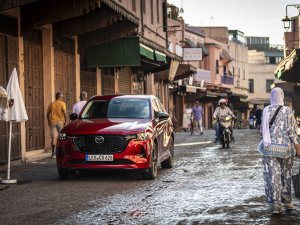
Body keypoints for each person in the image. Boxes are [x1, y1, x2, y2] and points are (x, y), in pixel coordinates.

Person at [259, 87, 299, 214]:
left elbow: (262, 131)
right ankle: (287, 202)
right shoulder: (288, 111)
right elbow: (292, 132)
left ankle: (276, 205)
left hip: (269, 149)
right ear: (282, 96)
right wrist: (298, 147)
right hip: (286, 150)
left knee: (273, 176)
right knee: (286, 175)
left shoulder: (266, 110)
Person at [47, 92, 67, 158]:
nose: (62, 98)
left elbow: (48, 113)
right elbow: (64, 112)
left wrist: (48, 121)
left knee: (54, 138)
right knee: (62, 137)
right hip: (60, 122)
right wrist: (65, 121)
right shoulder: (62, 103)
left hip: (52, 122)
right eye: (62, 97)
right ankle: (62, 153)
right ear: (60, 97)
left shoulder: (52, 104)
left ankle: (53, 154)